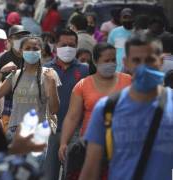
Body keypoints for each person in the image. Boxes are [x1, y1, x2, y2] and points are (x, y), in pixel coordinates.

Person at [79, 33, 173, 180]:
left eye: (149, 60)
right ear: (126, 63)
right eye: (136, 60)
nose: (143, 67)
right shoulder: (107, 108)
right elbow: (91, 168)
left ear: (160, 61)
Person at [59, 42, 131, 161]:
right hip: (91, 146)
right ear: (96, 61)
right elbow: (72, 117)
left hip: (123, 145)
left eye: (113, 60)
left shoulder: (129, 81)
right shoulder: (82, 85)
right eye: (106, 61)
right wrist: (64, 143)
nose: (111, 64)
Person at [0, 35, 60, 139]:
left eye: (35, 49)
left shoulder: (49, 74)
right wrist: (0, 73)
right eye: (27, 48)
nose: (31, 51)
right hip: (15, 131)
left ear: (41, 51)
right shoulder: (15, 75)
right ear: (21, 52)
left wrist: (52, 83)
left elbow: (54, 109)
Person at [43, 29, 89, 180]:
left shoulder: (85, 70)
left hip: (77, 132)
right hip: (51, 132)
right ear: (56, 46)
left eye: (72, 45)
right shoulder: (45, 70)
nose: (68, 48)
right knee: (49, 175)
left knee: (72, 175)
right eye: (64, 44)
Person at [0, 25, 30, 131]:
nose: (21, 40)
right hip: (8, 104)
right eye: (18, 37)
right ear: (9, 40)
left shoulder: (33, 57)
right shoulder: (1, 59)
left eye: (24, 37)